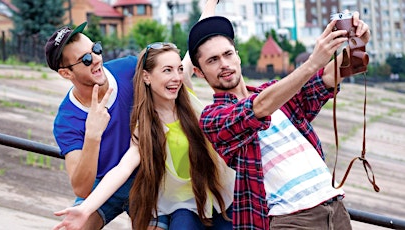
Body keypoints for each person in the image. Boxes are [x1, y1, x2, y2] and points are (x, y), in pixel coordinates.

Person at [187, 13, 370, 229]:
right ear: (199, 72)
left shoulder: (275, 93)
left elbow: (328, 77)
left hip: (335, 209)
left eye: (227, 54)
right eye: (213, 60)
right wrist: (312, 63)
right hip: (292, 220)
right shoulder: (213, 117)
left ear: (237, 56)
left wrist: (359, 43)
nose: (224, 64)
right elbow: (258, 108)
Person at [52, 43, 236, 230]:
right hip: (180, 203)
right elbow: (121, 170)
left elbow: (197, 43)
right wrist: (85, 208)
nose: (176, 77)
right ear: (146, 77)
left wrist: (210, 13)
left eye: (97, 49)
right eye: (167, 71)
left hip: (216, 192)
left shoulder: (185, 95)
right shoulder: (148, 127)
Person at [45, 21, 138, 229]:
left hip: (145, 178)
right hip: (102, 186)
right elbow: (82, 188)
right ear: (66, 73)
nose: (96, 59)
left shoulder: (130, 70)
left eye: (95, 49)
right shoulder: (67, 119)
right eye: (85, 59)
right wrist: (93, 134)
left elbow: (172, 69)